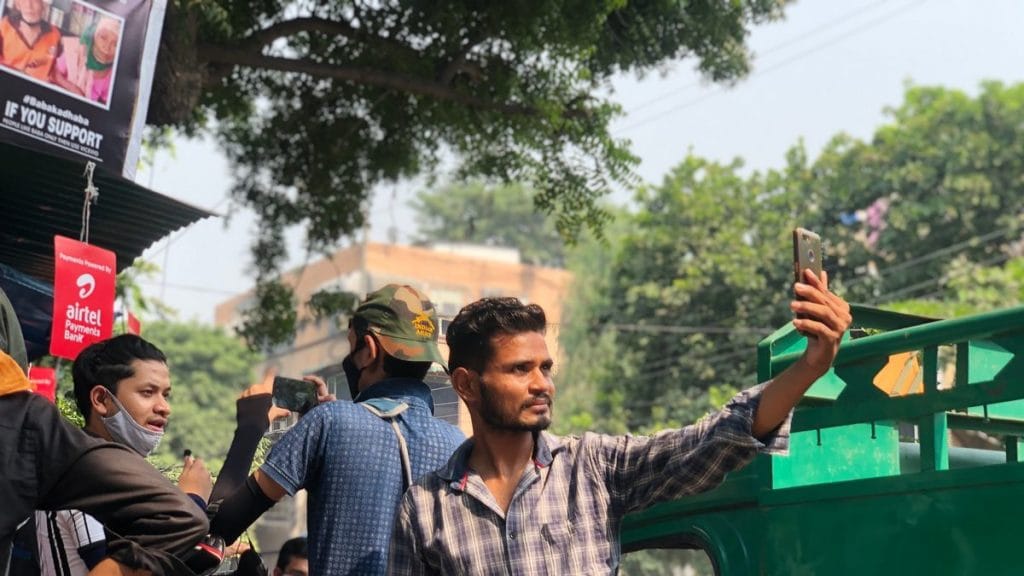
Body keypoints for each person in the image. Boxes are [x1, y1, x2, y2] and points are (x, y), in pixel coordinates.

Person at [388, 269, 853, 574]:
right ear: (467, 385)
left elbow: (713, 442)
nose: (542, 384)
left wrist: (810, 366)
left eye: (545, 368)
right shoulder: (426, 507)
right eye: (519, 370)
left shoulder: (592, 467)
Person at [209, 284, 466, 575]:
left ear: (368, 350)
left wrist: (251, 424)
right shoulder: (457, 444)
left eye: (350, 344)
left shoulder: (330, 422)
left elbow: (219, 526)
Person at [0, 288, 208, 575]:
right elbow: (184, 524)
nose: (164, 407)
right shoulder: (76, 481)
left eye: (166, 395)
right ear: (101, 400)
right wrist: (192, 501)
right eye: (148, 392)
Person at [50, 16, 118, 104]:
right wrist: (74, 89)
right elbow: (54, 73)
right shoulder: (76, 50)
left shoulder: (112, 73)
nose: (107, 47)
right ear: (94, 36)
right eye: (103, 38)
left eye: (115, 44)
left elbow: (106, 103)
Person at [0, 0, 61, 81]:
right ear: (18, 4)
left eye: (35, 1)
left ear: (44, 5)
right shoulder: (4, 27)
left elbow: (55, 73)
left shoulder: (54, 35)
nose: (29, 6)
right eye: (24, 0)